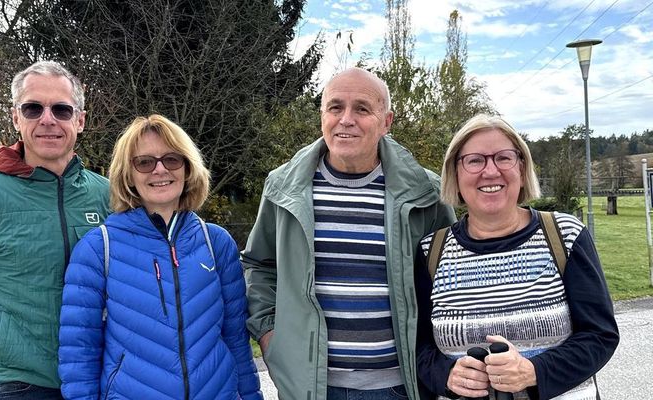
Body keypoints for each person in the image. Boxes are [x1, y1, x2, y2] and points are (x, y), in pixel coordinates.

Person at [242, 67, 456, 400]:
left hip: (402, 387)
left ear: (387, 122)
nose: (346, 119)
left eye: (362, 109)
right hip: (310, 388)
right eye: (335, 107)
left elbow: (447, 281)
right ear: (322, 116)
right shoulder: (283, 189)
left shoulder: (425, 193)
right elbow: (260, 265)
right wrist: (271, 336)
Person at [414, 114, 619, 399]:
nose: (490, 171)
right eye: (475, 160)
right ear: (455, 173)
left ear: (522, 169)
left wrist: (533, 371)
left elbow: (600, 336)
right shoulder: (430, 252)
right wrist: (445, 375)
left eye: (504, 158)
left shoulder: (564, 236)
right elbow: (416, 346)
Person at [58, 114, 262, 400]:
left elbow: (236, 340)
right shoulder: (97, 248)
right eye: (144, 162)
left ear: (188, 167)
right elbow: (78, 353)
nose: (159, 170)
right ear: (128, 174)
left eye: (172, 159)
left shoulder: (216, 243)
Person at [0, 61, 111, 400]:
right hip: (20, 385)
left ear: (80, 120)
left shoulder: (109, 195)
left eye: (61, 109)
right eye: (33, 108)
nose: (47, 119)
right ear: (17, 117)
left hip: (100, 379)